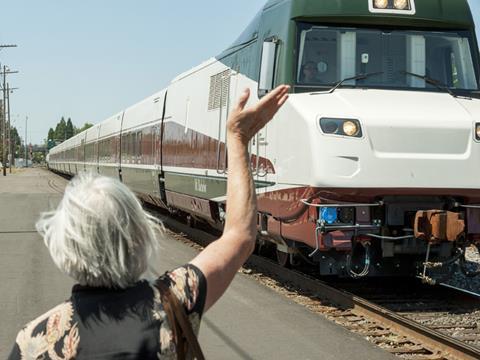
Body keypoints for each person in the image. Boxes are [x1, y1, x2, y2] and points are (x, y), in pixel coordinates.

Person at [8, 84, 290, 359]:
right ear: (141, 235)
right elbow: (239, 235)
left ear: (64, 247)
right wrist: (238, 140)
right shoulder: (173, 301)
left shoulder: (37, 340)